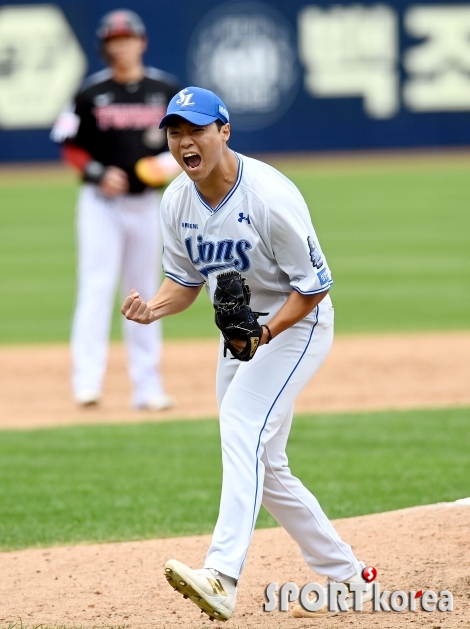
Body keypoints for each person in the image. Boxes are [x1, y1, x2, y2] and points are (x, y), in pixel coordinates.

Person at [121, 87, 372, 620]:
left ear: (224, 132)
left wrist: (265, 335)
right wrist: (154, 309)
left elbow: (314, 287)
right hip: (238, 332)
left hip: (296, 323)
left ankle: (222, 575)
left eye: (196, 131)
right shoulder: (176, 200)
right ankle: (348, 577)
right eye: (175, 132)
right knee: (267, 465)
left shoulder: (269, 197)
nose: (185, 142)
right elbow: (184, 281)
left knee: (240, 422)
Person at [51, 10, 180, 409]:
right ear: (105, 48)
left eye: (127, 38)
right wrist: (96, 173)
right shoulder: (91, 92)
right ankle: (86, 382)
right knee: (96, 287)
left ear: (141, 42)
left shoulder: (164, 89)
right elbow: (68, 143)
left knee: (145, 291)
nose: (121, 46)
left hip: (144, 205)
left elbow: (185, 142)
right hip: (101, 206)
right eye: (113, 40)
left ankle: (148, 387)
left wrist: (166, 166)